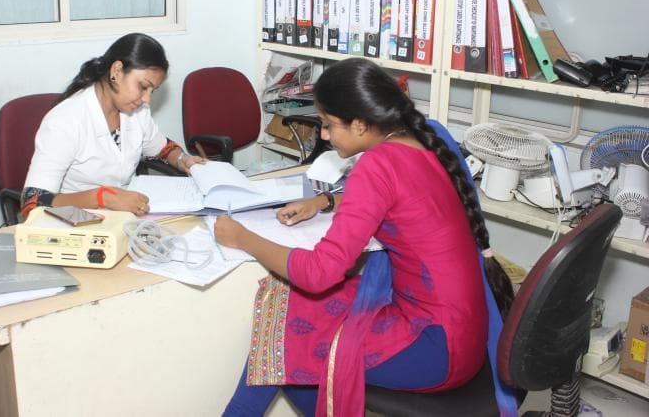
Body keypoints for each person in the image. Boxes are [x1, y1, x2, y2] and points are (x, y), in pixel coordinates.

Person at [214, 58, 517, 416]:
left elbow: (319, 273)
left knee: (281, 341)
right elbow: (406, 201)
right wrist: (326, 201)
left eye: (328, 125)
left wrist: (243, 237)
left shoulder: (376, 166)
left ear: (360, 124)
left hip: (434, 347)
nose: (324, 136)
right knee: (285, 314)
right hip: (467, 336)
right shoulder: (425, 137)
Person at [20, 33, 205, 218]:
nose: (147, 99)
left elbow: (162, 148)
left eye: (152, 91)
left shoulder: (137, 112)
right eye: (143, 86)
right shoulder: (65, 121)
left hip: (127, 218)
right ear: (116, 71)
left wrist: (182, 159)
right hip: (76, 224)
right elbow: (32, 203)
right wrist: (103, 197)